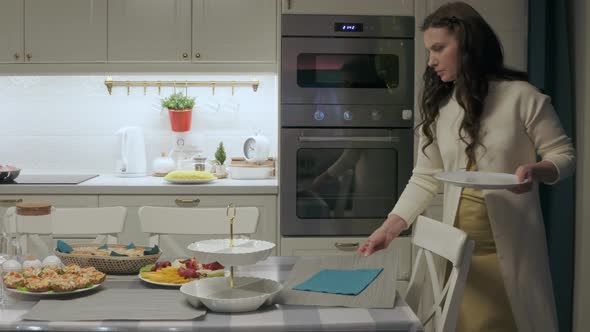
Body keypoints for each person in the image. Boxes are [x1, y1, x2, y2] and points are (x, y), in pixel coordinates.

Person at [357, 2, 575, 332]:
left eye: (439, 48)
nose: (430, 61)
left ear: (468, 44)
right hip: (458, 252)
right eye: (429, 50)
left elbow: (564, 156)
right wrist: (389, 229)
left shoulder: (523, 97)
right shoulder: (442, 107)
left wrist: (536, 170)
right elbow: (425, 178)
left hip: (512, 252)